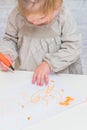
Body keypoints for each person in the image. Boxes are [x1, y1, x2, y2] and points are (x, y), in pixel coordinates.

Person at [0, 0, 83, 86]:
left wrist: (49, 64)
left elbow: (73, 47)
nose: (35, 22)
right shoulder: (17, 15)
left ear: (56, 7)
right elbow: (10, 39)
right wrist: (7, 54)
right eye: (30, 20)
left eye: (42, 18)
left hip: (60, 76)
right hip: (28, 75)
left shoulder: (63, 16)